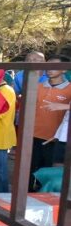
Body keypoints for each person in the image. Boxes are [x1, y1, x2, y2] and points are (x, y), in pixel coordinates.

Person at [30, 55, 71, 190]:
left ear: (64, 69)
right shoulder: (38, 86)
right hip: (33, 136)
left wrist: (63, 106)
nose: (49, 69)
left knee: (47, 175)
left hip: (55, 139)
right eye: (48, 65)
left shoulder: (69, 89)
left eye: (54, 66)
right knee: (29, 172)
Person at [0, 70, 16, 192]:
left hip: (0, 134)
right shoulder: (0, 89)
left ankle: (1, 193)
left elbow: (0, 112)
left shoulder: (5, 91)